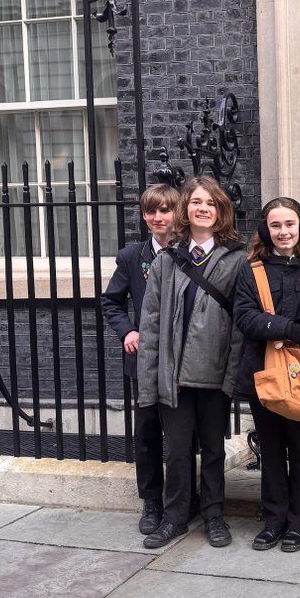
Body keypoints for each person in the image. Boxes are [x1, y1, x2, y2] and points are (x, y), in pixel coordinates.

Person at [136, 176, 245, 550]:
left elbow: (240, 327)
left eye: (211, 203)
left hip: (214, 376)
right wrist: (150, 384)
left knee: (213, 449)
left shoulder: (237, 260)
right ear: (186, 209)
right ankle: (175, 517)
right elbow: (150, 325)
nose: (203, 208)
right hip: (175, 378)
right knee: (178, 452)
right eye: (196, 202)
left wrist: (231, 377)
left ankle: (214, 515)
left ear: (221, 211)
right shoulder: (166, 260)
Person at [233, 198, 300, 553]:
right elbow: (245, 316)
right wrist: (290, 327)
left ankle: (298, 524)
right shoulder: (252, 269)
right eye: (275, 225)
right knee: (271, 451)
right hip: (264, 374)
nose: (283, 231)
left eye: (289, 224)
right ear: (265, 230)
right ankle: (274, 521)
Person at [101, 183, 183, 536]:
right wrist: (127, 332)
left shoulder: (188, 252)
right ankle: (152, 502)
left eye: (164, 210)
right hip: (145, 360)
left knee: (182, 437)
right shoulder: (132, 256)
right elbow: (111, 302)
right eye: (150, 211)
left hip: (183, 359)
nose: (156, 217)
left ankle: (184, 499)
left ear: (176, 213)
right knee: (148, 433)